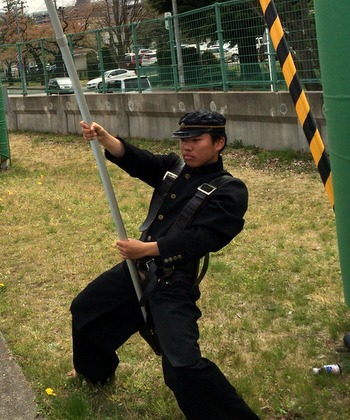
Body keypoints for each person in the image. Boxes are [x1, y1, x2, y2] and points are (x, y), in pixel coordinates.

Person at [70, 111, 258, 418]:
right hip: (138, 269)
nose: (187, 147)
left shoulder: (230, 190)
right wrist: (106, 139)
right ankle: (95, 373)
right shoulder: (174, 168)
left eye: (196, 140)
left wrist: (148, 248)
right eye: (184, 140)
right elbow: (140, 161)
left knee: (182, 367)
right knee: (85, 310)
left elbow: (204, 238)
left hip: (173, 281)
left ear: (219, 143)